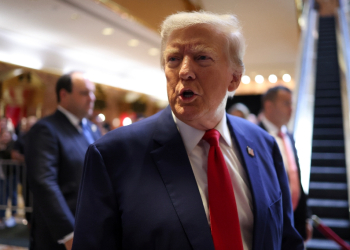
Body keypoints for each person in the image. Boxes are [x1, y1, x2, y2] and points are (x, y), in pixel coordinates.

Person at [72, 12, 304, 250]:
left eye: (202, 57)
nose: (184, 71)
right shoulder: (113, 155)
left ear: (234, 78)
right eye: (173, 59)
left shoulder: (264, 144)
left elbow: (286, 239)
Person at [25, 72, 101, 250]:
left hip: (91, 226)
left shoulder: (92, 129)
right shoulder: (45, 130)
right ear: (64, 95)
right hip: (60, 235)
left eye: (93, 93)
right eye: (84, 93)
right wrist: (69, 233)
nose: (92, 98)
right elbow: (44, 183)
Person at [259, 86, 313, 242]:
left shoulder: (288, 136)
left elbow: (296, 178)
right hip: (271, 221)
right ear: (269, 105)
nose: (291, 109)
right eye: (286, 103)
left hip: (295, 218)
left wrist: (306, 216)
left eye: (292, 104)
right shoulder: (254, 136)